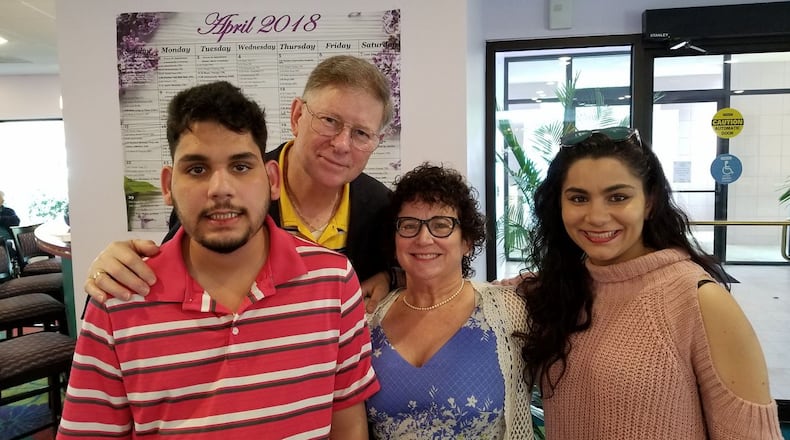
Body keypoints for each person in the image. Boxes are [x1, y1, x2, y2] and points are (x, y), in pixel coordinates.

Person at [58, 81, 378, 439]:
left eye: (241, 167)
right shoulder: (121, 297)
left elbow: (348, 425)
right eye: (197, 169)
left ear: (271, 179)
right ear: (168, 186)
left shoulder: (333, 282)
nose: (220, 188)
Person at [519, 127, 782, 439]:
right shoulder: (556, 289)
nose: (597, 216)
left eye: (618, 197)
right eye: (578, 198)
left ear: (649, 202)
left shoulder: (698, 298)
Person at [85, 55, 396, 310]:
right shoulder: (234, 191)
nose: (342, 144)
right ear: (297, 115)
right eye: (330, 121)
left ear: (376, 141)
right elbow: (176, 269)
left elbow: (416, 265)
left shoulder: (382, 206)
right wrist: (115, 266)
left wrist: (389, 277)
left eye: (361, 134)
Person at [366, 164, 534, 439]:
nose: (423, 238)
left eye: (441, 225)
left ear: (466, 240)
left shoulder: (511, 311)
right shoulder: (369, 319)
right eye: (409, 225)